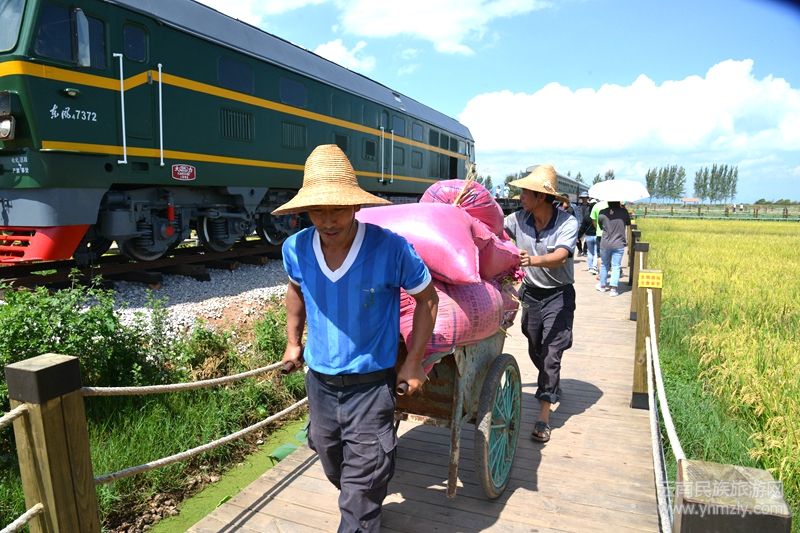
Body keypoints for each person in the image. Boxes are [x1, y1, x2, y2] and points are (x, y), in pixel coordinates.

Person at [275, 144, 439, 532]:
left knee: (360, 490)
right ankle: (368, 486)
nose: (328, 220)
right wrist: (293, 341)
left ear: (356, 205)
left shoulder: (390, 248)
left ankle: (364, 500)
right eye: (318, 210)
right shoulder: (295, 248)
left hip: (371, 386)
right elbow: (296, 290)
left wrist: (413, 362)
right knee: (330, 456)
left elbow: (427, 299)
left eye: (338, 209)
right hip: (320, 384)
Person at [504, 164, 578, 443]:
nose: (521, 196)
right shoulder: (518, 219)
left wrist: (532, 260)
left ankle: (543, 417)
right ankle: (551, 383)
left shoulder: (567, 223)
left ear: (542, 197)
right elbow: (493, 227)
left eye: (526, 192)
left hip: (559, 295)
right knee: (535, 345)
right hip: (531, 295)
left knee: (551, 353)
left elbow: (560, 256)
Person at [596, 200, 631, 296]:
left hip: (605, 243)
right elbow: (628, 223)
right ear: (618, 201)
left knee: (604, 265)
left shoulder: (602, 212)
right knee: (616, 266)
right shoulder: (624, 212)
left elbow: (600, 226)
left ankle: (602, 286)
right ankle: (613, 290)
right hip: (619, 243)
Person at [581, 200, 598, 274]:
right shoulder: (598, 214)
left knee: (590, 252)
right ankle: (594, 267)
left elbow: (582, 227)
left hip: (588, 236)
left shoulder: (586, 215)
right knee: (596, 252)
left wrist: (579, 236)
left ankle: (590, 267)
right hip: (597, 235)